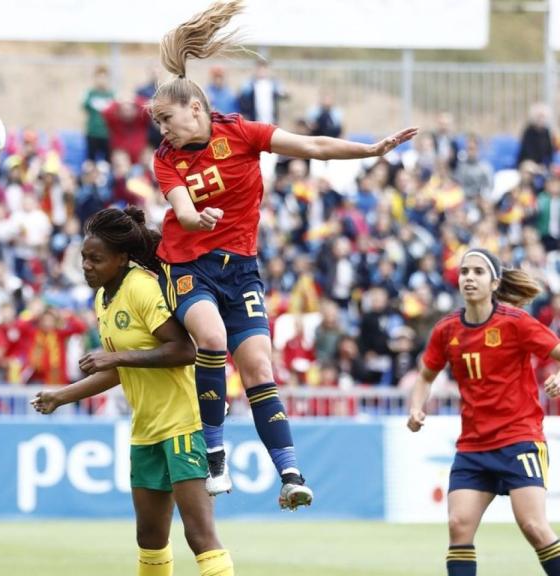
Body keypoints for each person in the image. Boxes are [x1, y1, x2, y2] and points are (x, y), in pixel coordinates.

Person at [148, 0, 417, 506]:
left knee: (259, 369)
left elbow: (312, 146)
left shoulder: (242, 134)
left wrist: (370, 150)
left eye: (167, 119)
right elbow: (182, 211)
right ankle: (214, 452)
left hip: (240, 270)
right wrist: (196, 218)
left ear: (196, 108)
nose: (163, 130)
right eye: (158, 122)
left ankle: (291, 475)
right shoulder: (166, 160)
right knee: (211, 336)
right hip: (188, 267)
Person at [32, 206, 234, 576]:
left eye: (96, 259)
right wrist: (63, 395)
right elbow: (122, 368)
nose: (87, 266)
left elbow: (184, 350)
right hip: (146, 430)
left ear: (122, 258)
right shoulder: (102, 299)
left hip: (185, 424)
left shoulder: (141, 286)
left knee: (199, 534)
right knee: (150, 537)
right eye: (84, 258)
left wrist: (116, 357)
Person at [408, 249, 560, 576]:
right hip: (473, 447)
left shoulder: (516, 322)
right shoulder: (447, 330)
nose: (469, 278)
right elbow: (424, 376)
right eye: (464, 272)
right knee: (458, 525)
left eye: (478, 272)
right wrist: (416, 407)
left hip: (519, 439)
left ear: (494, 283)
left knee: (534, 526)